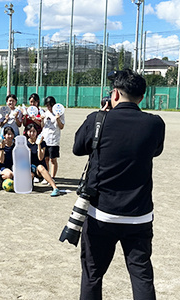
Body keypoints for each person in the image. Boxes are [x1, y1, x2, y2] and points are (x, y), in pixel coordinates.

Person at [73, 69, 165, 300]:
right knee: (141, 275)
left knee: (93, 274)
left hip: (101, 213)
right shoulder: (154, 124)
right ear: (142, 97)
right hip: (139, 214)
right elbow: (156, 151)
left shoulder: (98, 120)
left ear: (114, 94)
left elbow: (77, 148)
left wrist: (100, 116)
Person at [25, 124, 60, 197]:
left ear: (37, 132)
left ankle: (55, 188)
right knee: (30, 176)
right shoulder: (25, 143)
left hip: (39, 169)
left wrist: (38, 144)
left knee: (40, 167)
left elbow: (40, 158)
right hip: (29, 168)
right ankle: (29, 185)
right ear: (26, 132)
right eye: (30, 131)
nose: (32, 133)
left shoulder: (42, 143)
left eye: (33, 131)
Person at [41, 96, 65, 180]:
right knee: (46, 159)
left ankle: (53, 177)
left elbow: (61, 126)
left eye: (50, 105)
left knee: (53, 159)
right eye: (47, 105)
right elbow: (42, 126)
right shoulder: (45, 113)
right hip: (45, 139)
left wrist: (58, 119)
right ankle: (47, 177)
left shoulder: (60, 113)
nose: (49, 107)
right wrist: (41, 120)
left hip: (54, 139)